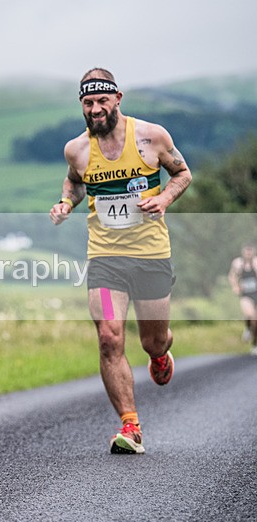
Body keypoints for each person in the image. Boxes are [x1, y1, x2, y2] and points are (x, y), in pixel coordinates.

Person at [49, 68, 192, 454]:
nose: (95, 109)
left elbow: (182, 173)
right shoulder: (76, 149)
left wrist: (163, 199)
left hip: (150, 257)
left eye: (101, 101)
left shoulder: (151, 137)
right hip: (106, 260)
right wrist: (65, 203)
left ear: (117, 99)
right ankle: (130, 426)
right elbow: (75, 182)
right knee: (109, 335)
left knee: (151, 340)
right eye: (88, 103)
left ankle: (161, 353)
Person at [228, 243, 257, 355]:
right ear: (243, 252)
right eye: (246, 251)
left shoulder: (255, 262)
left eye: (250, 251)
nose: (248, 254)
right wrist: (235, 286)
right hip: (246, 294)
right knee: (249, 314)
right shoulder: (238, 263)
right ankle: (248, 328)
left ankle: (255, 344)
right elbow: (232, 276)